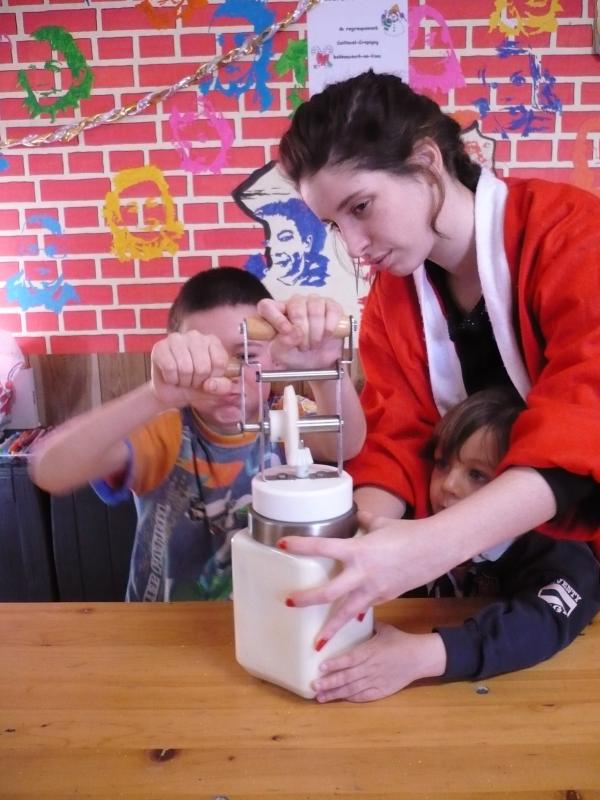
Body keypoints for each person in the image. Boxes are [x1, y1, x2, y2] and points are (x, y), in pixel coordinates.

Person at [259, 69, 600, 644]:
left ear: (426, 160)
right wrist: (356, 546)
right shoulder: (395, 296)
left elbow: (585, 418)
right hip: (488, 583)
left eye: (361, 206)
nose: (355, 245)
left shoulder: (571, 234)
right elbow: (399, 437)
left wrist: (433, 545)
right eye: (335, 225)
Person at [29, 267, 365, 602]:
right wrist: (156, 395)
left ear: (275, 360)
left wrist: (323, 369)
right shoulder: (165, 432)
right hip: (168, 622)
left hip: (271, 614)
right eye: (204, 359)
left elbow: (348, 444)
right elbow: (50, 470)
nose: (228, 375)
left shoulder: (290, 419)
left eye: (246, 355)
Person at [310, 388, 600, 702]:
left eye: (477, 474)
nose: (448, 485)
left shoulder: (557, 548)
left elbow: (540, 623)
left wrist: (423, 656)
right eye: (443, 464)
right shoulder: (409, 524)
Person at [246, 197, 329, 288]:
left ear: (306, 242)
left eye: (285, 238)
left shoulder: (322, 281)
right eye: (266, 243)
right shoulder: (252, 282)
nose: (274, 251)